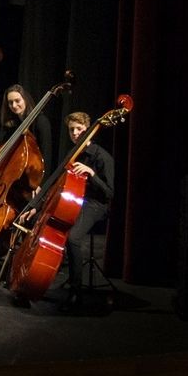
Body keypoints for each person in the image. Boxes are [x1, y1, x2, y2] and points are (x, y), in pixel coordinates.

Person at [56, 111, 114, 310]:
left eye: (79, 129)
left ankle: (76, 292)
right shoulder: (73, 153)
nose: (75, 133)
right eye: (71, 130)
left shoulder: (102, 157)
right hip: (76, 200)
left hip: (97, 204)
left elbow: (109, 193)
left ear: (88, 130)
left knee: (73, 238)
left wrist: (92, 174)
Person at [0, 84, 53, 166]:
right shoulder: (10, 124)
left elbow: (46, 153)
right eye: (10, 102)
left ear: (25, 100)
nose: (14, 105)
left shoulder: (41, 121)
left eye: (17, 101)